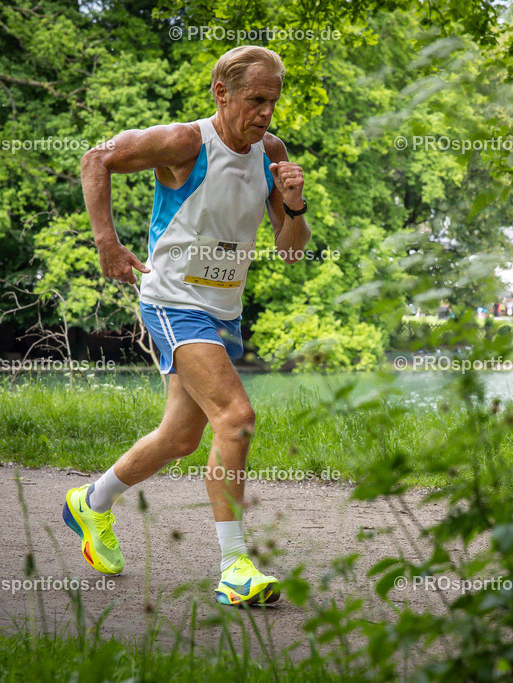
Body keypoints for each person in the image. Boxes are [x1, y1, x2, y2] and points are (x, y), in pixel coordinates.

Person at [64, 46, 311, 607]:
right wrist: (106, 240)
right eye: (255, 100)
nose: (267, 113)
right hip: (173, 300)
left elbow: (292, 252)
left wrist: (293, 207)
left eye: (273, 101)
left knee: (181, 437)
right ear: (222, 93)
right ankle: (234, 567)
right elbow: (95, 158)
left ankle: (91, 502)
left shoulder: (271, 153)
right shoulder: (185, 142)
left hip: (223, 310)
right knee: (237, 417)